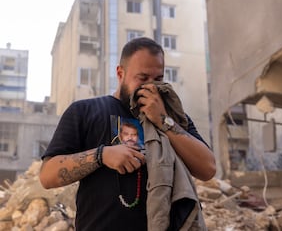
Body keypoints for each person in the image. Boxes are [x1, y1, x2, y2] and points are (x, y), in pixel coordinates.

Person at [39, 37, 216, 231]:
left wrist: (163, 121)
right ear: (120, 73)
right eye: (142, 78)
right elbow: (48, 175)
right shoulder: (85, 111)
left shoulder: (173, 117)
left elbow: (207, 168)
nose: (151, 86)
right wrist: (101, 155)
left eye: (158, 79)